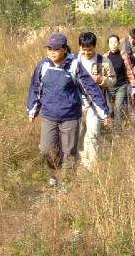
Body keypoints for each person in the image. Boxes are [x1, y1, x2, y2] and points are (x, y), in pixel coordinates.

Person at [26, 33, 109, 189]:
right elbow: (36, 88)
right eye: (49, 49)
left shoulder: (74, 65)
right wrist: (32, 110)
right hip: (49, 115)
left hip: (70, 116)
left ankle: (67, 183)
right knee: (46, 149)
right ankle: (54, 174)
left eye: (56, 49)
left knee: (69, 151)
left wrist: (102, 111)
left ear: (64, 49)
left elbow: (90, 89)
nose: (52, 52)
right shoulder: (43, 66)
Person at [77, 32, 115, 169]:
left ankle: (92, 166)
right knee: (78, 134)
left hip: (96, 103)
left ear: (95, 47)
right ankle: (80, 160)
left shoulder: (103, 61)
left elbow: (113, 80)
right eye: (84, 49)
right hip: (77, 103)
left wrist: (102, 80)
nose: (87, 53)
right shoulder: (74, 61)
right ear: (80, 47)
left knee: (93, 133)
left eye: (90, 49)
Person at [105, 35, 135, 132]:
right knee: (110, 110)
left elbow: (129, 71)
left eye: (115, 42)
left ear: (119, 43)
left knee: (118, 108)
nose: (113, 44)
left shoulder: (124, 55)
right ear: (108, 44)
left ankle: (117, 131)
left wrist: (133, 86)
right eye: (111, 42)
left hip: (121, 86)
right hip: (109, 87)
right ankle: (110, 128)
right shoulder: (105, 57)